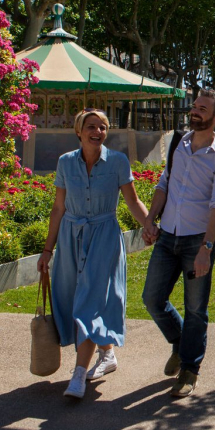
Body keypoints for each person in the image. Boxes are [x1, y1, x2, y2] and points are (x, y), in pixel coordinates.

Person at [37, 109, 150, 400]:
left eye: (102, 127)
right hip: (71, 239)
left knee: (87, 305)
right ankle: (108, 354)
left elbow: (133, 201)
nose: (97, 131)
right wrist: (47, 250)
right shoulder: (65, 163)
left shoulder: (117, 162)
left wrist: (152, 228)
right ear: (79, 131)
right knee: (74, 297)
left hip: (104, 239)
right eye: (91, 126)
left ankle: (78, 375)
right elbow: (58, 208)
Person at [142, 89, 215, 398]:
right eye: (195, 106)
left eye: (202, 108)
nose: (195, 112)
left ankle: (190, 368)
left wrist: (207, 248)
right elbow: (164, 182)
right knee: (152, 299)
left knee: (196, 309)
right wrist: (150, 219)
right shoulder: (178, 144)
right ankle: (181, 345)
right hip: (167, 236)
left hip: (197, 241)